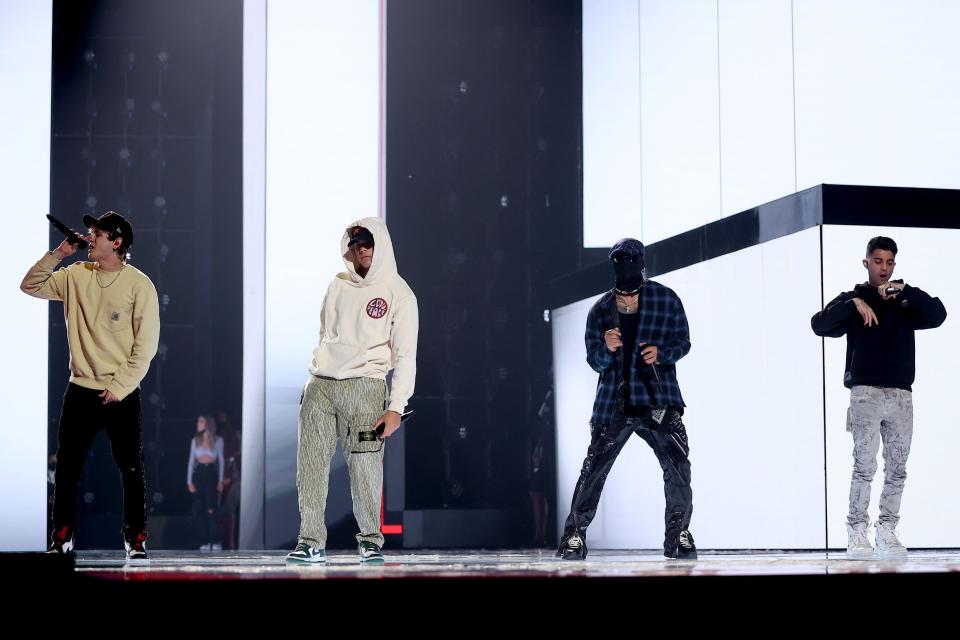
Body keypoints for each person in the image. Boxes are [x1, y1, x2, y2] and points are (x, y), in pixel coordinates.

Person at [21, 211, 159, 560]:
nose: (89, 236)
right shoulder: (75, 275)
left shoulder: (139, 285)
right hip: (81, 387)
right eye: (90, 231)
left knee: (130, 467)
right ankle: (62, 537)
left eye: (97, 232)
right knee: (67, 466)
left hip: (120, 392)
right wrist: (58, 255)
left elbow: (146, 345)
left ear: (117, 242)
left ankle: (136, 538)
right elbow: (30, 285)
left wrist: (121, 385)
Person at [286, 218, 418, 563]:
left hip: (367, 387)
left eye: (367, 244)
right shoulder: (338, 285)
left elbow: (406, 356)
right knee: (311, 466)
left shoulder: (399, 293)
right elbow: (324, 335)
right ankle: (310, 540)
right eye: (356, 244)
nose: (361, 250)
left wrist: (396, 406)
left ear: (381, 246)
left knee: (365, 468)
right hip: (321, 386)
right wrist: (313, 380)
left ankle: (370, 541)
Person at [557, 238, 697, 560]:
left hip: (658, 398)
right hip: (614, 401)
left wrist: (662, 353)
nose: (625, 265)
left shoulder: (666, 299)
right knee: (593, 470)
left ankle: (679, 535)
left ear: (641, 261)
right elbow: (594, 361)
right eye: (619, 260)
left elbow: (683, 341)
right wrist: (606, 347)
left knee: (677, 467)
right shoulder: (601, 310)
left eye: (630, 259)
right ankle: (574, 536)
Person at [811, 236, 945, 559]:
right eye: (877, 261)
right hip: (866, 394)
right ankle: (857, 530)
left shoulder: (905, 301)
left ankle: (887, 530)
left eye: (889, 262)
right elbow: (819, 324)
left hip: (901, 394)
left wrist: (907, 291)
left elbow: (938, 314)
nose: (883, 268)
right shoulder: (854, 299)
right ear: (866, 262)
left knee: (897, 468)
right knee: (864, 465)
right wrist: (852, 304)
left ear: (894, 264)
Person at [187, 414, 224, 551]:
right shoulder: (195, 440)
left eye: (201, 421)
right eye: (198, 421)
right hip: (199, 473)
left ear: (207, 423)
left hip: (211, 473)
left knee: (211, 508)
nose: (198, 423)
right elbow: (191, 462)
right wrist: (189, 481)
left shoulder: (218, 440)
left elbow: (221, 461)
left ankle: (214, 540)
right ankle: (204, 540)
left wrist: (220, 480)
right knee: (199, 509)